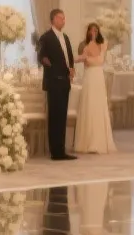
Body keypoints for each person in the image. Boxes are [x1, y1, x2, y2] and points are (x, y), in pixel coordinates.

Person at [37, 9, 76, 160]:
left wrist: (71, 68)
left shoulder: (65, 37)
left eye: (64, 18)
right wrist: (49, 64)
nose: (63, 21)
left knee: (62, 116)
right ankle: (55, 152)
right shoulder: (46, 37)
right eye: (61, 18)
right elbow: (41, 56)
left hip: (65, 82)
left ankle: (61, 149)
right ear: (53, 19)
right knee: (54, 116)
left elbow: (69, 56)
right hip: (53, 82)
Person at [73, 22, 116, 154]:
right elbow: (78, 59)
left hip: (97, 76)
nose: (93, 33)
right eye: (91, 31)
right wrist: (85, 56)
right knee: (89, 105)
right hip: (89, 77)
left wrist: (88, 57)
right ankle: (86, 142)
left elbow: (99, 61)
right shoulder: (85, 46)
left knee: (98, 106)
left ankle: (99, 141)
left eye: (95, 31)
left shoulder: (102, 45)